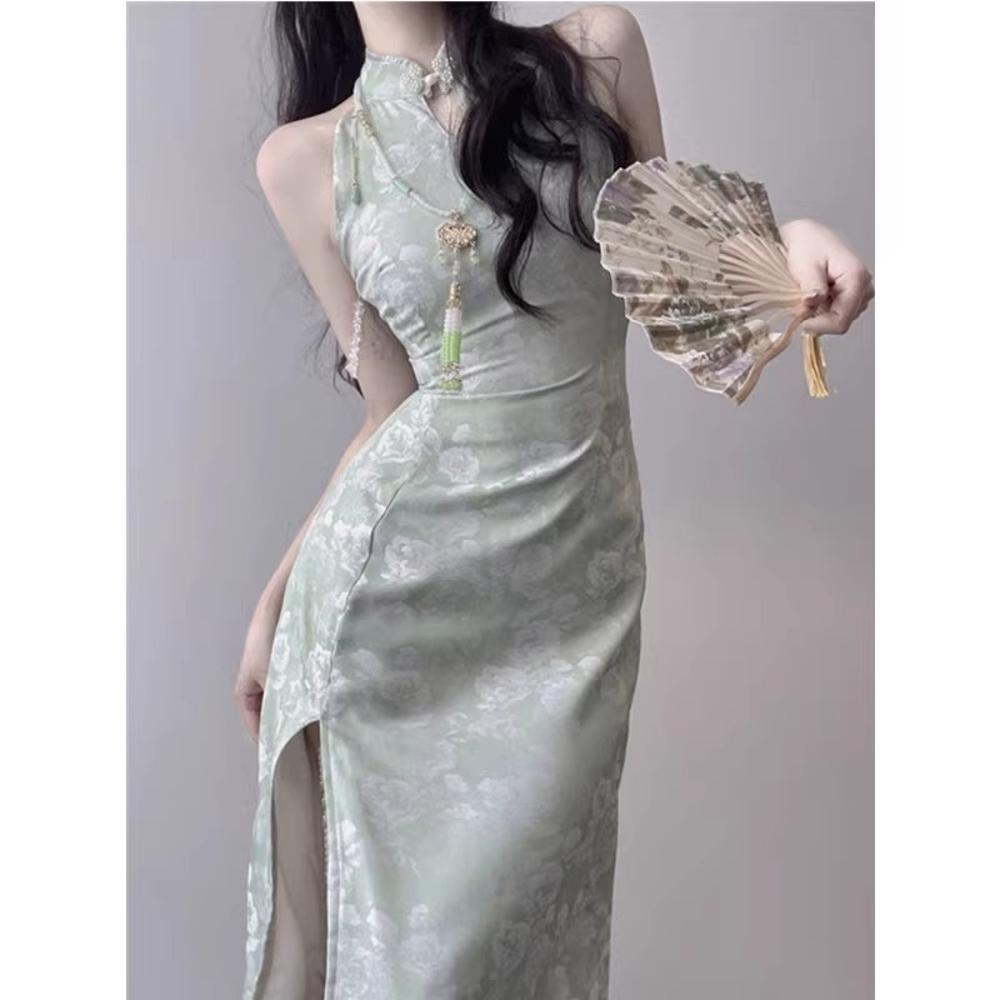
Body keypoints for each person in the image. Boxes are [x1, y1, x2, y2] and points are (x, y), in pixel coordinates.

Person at [234, 4, 874, 998]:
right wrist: (276, 600)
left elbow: (683, 265)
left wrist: (788, 240)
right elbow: (390, 414)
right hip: (390, 607)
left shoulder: (595, 54)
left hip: (574, 587)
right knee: (409, 964)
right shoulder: (303, 160)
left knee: (532, 943)